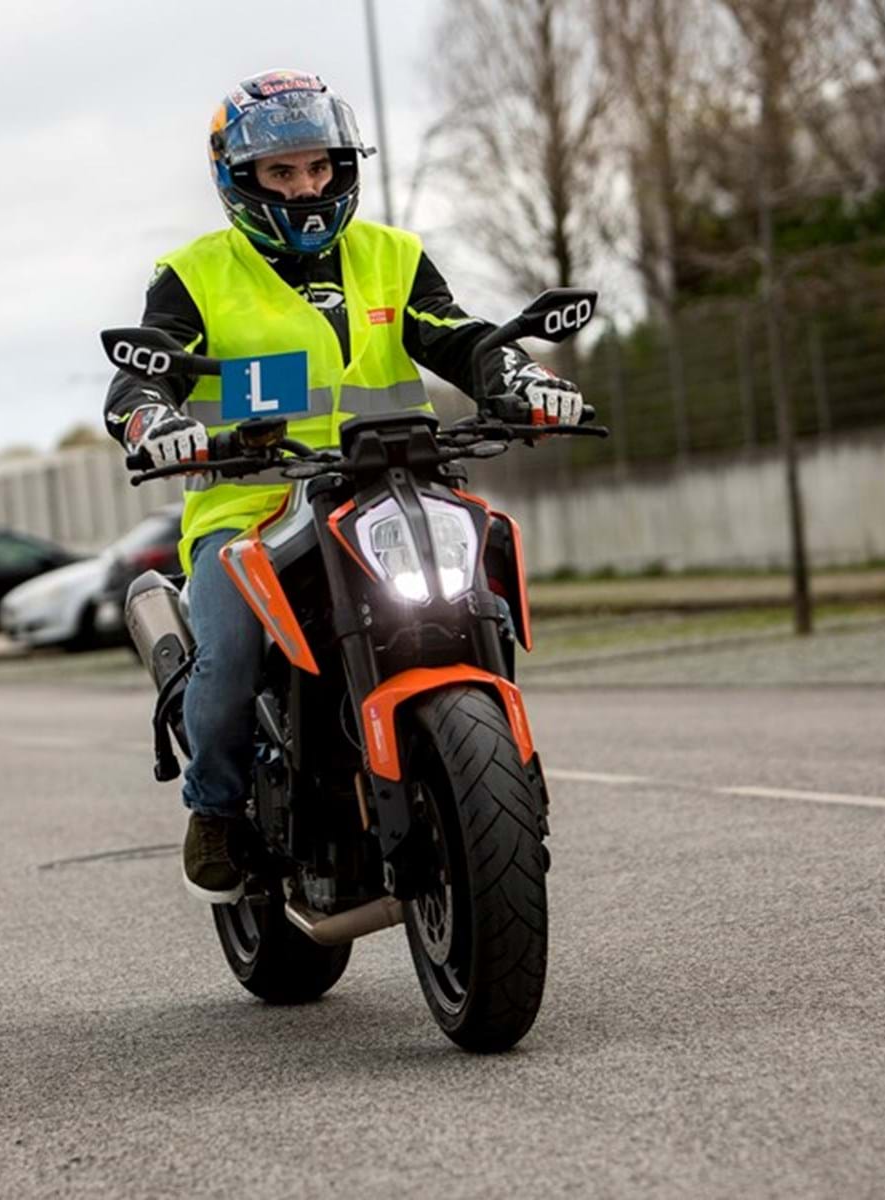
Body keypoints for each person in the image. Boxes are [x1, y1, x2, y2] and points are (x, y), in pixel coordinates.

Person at [105, 68, 584, 904]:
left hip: (393, 489)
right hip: (252, 507)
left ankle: (498, 776)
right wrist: (155, 420)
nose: (307, 187)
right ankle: (215, 808)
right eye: (283, 173)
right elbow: (144, 378)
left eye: (319, 167)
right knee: (230, 654)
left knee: (486, 598)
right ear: (240, 179)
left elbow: (462, 338)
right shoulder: (193, 276)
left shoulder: (392, 258)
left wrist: (520, 377)